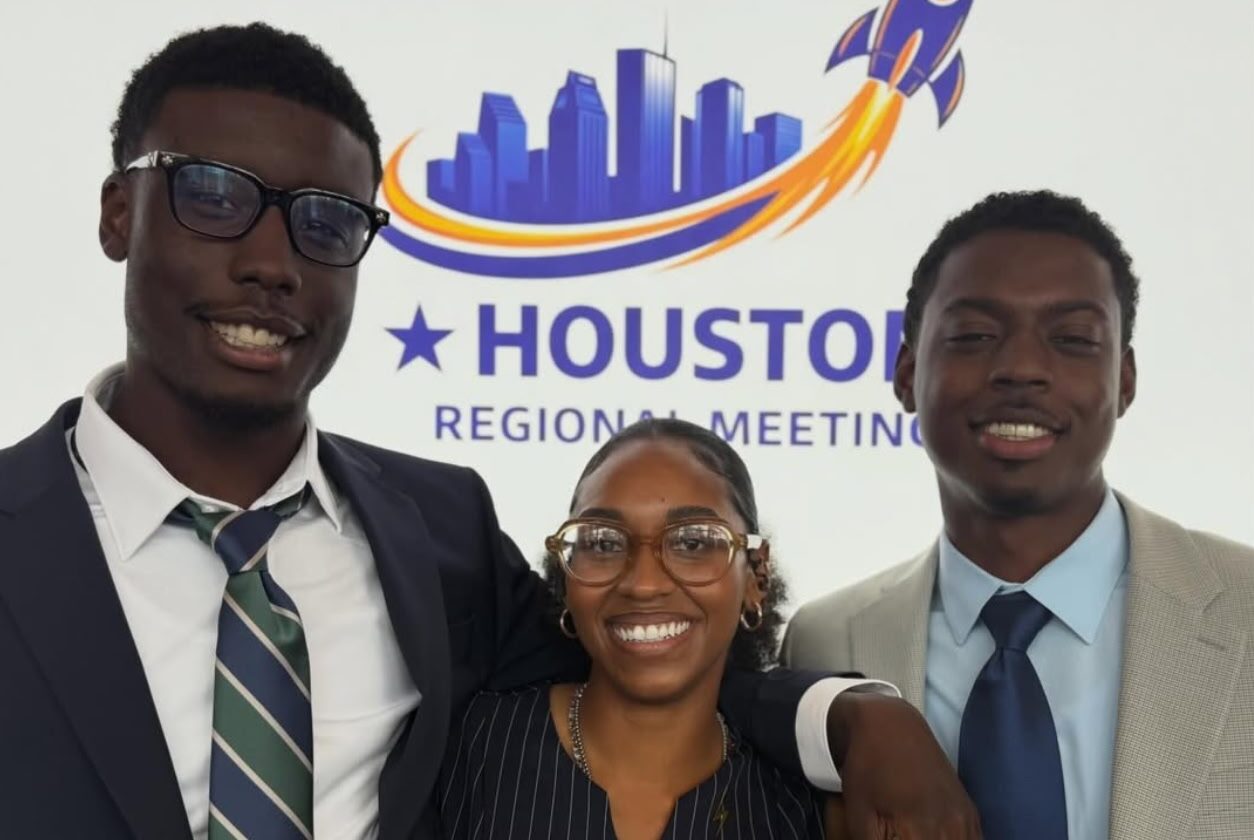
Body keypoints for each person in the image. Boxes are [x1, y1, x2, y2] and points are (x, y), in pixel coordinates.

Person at [0, 22, 979, 840]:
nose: (272, 262)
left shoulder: (440, 532)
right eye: (215, 197)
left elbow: (647, 648)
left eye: (326, 222)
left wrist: (854, 714)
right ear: (119, 214)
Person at [782, 190, 1254, 840]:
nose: (1022, 368)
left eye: (1072, 339)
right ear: (906, 372)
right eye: (975, 336)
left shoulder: (1243, 608)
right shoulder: (824, 643)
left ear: (1125, 380)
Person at [440, 418, 847, 839]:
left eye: (692, 542)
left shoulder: (805, 807)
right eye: (603, 543)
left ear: (756, 577)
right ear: (566, 578)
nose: (643, 585)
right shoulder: (470, 746)